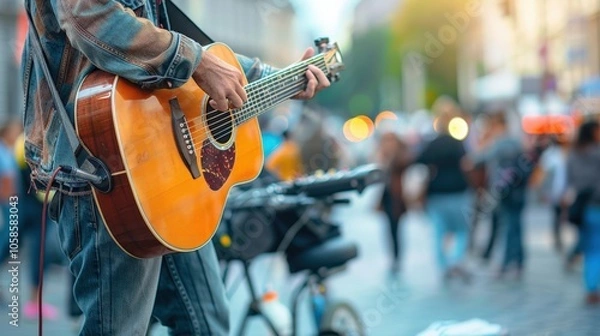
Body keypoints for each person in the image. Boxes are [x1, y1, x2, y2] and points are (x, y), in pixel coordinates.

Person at [22, 1, 330, 335]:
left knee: (207, 324)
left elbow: (196, 54)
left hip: (171, 178)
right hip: (108, 169)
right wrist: (196, 62)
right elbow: (89, 17)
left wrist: (283, 79)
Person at [416, 97, 472, 282]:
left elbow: (419, 160)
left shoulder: (432, 143)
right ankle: (456, 260)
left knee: (439, 232)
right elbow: (467, 163)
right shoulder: (458, 142)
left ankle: (444, 266)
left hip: (437, 192)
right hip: (457, 190)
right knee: (462, 230)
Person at [566, 120, 600, 304]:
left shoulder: (573, 154)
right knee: (596, 248)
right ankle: (592, 287)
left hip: (580, 206)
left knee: (589, 248)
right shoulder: (597, 153)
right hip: (596, 204)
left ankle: (590, 286)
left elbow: (569, 180)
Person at [374, 132, 410, 273]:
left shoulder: (400, 156)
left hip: (398, 196)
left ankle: (397, 257)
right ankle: (393, 257)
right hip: (387, 196)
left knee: (396, 228)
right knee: (389, 229)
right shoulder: (383, 155)